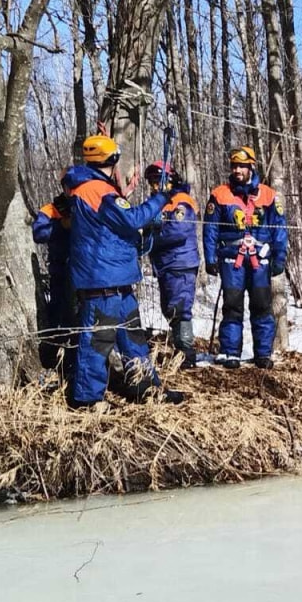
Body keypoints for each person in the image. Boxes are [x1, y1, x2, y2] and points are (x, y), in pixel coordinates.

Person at [64, 134, 183, 407]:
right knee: (97, 342)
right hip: (102, 281)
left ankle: (147, 389)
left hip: (118, 279)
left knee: (133, 338)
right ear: (112, 159)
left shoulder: (94, 188)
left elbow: (119, 229)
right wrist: (160, 199)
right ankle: (86, 401)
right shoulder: (97, 190)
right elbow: (132, 219)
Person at [203, 146, 288, 369]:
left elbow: (279, 228)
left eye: (242, 166)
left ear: (251, 166)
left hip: (260, 260)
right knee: (232, 306)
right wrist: (210, 257)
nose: (237, 170)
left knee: (262, 305)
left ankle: (263, 353)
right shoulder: (220, 194)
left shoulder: (268, 195)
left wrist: (280, 257)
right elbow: (210, 228)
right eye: (234, 166)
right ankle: (230, 352)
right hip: (232, 260)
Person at [145, 161, 200, 368]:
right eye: (151, 183)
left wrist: (151, 237)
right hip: (165, 264)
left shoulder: (181, 201)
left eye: (158, 182)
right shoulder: (156, 202)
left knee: (180, 308)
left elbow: (178, 230)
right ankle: (181, 348)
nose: (155, 187)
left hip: (181, 262)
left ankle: (186, 354)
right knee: (169, 308)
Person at [31, 191, 76, 372]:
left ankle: (74, 361)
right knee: (58, 315)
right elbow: (39, 233)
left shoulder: (87, 202)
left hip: (86, 273)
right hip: (60, 272)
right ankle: (53, 360)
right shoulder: (51, 209)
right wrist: (61, 226)